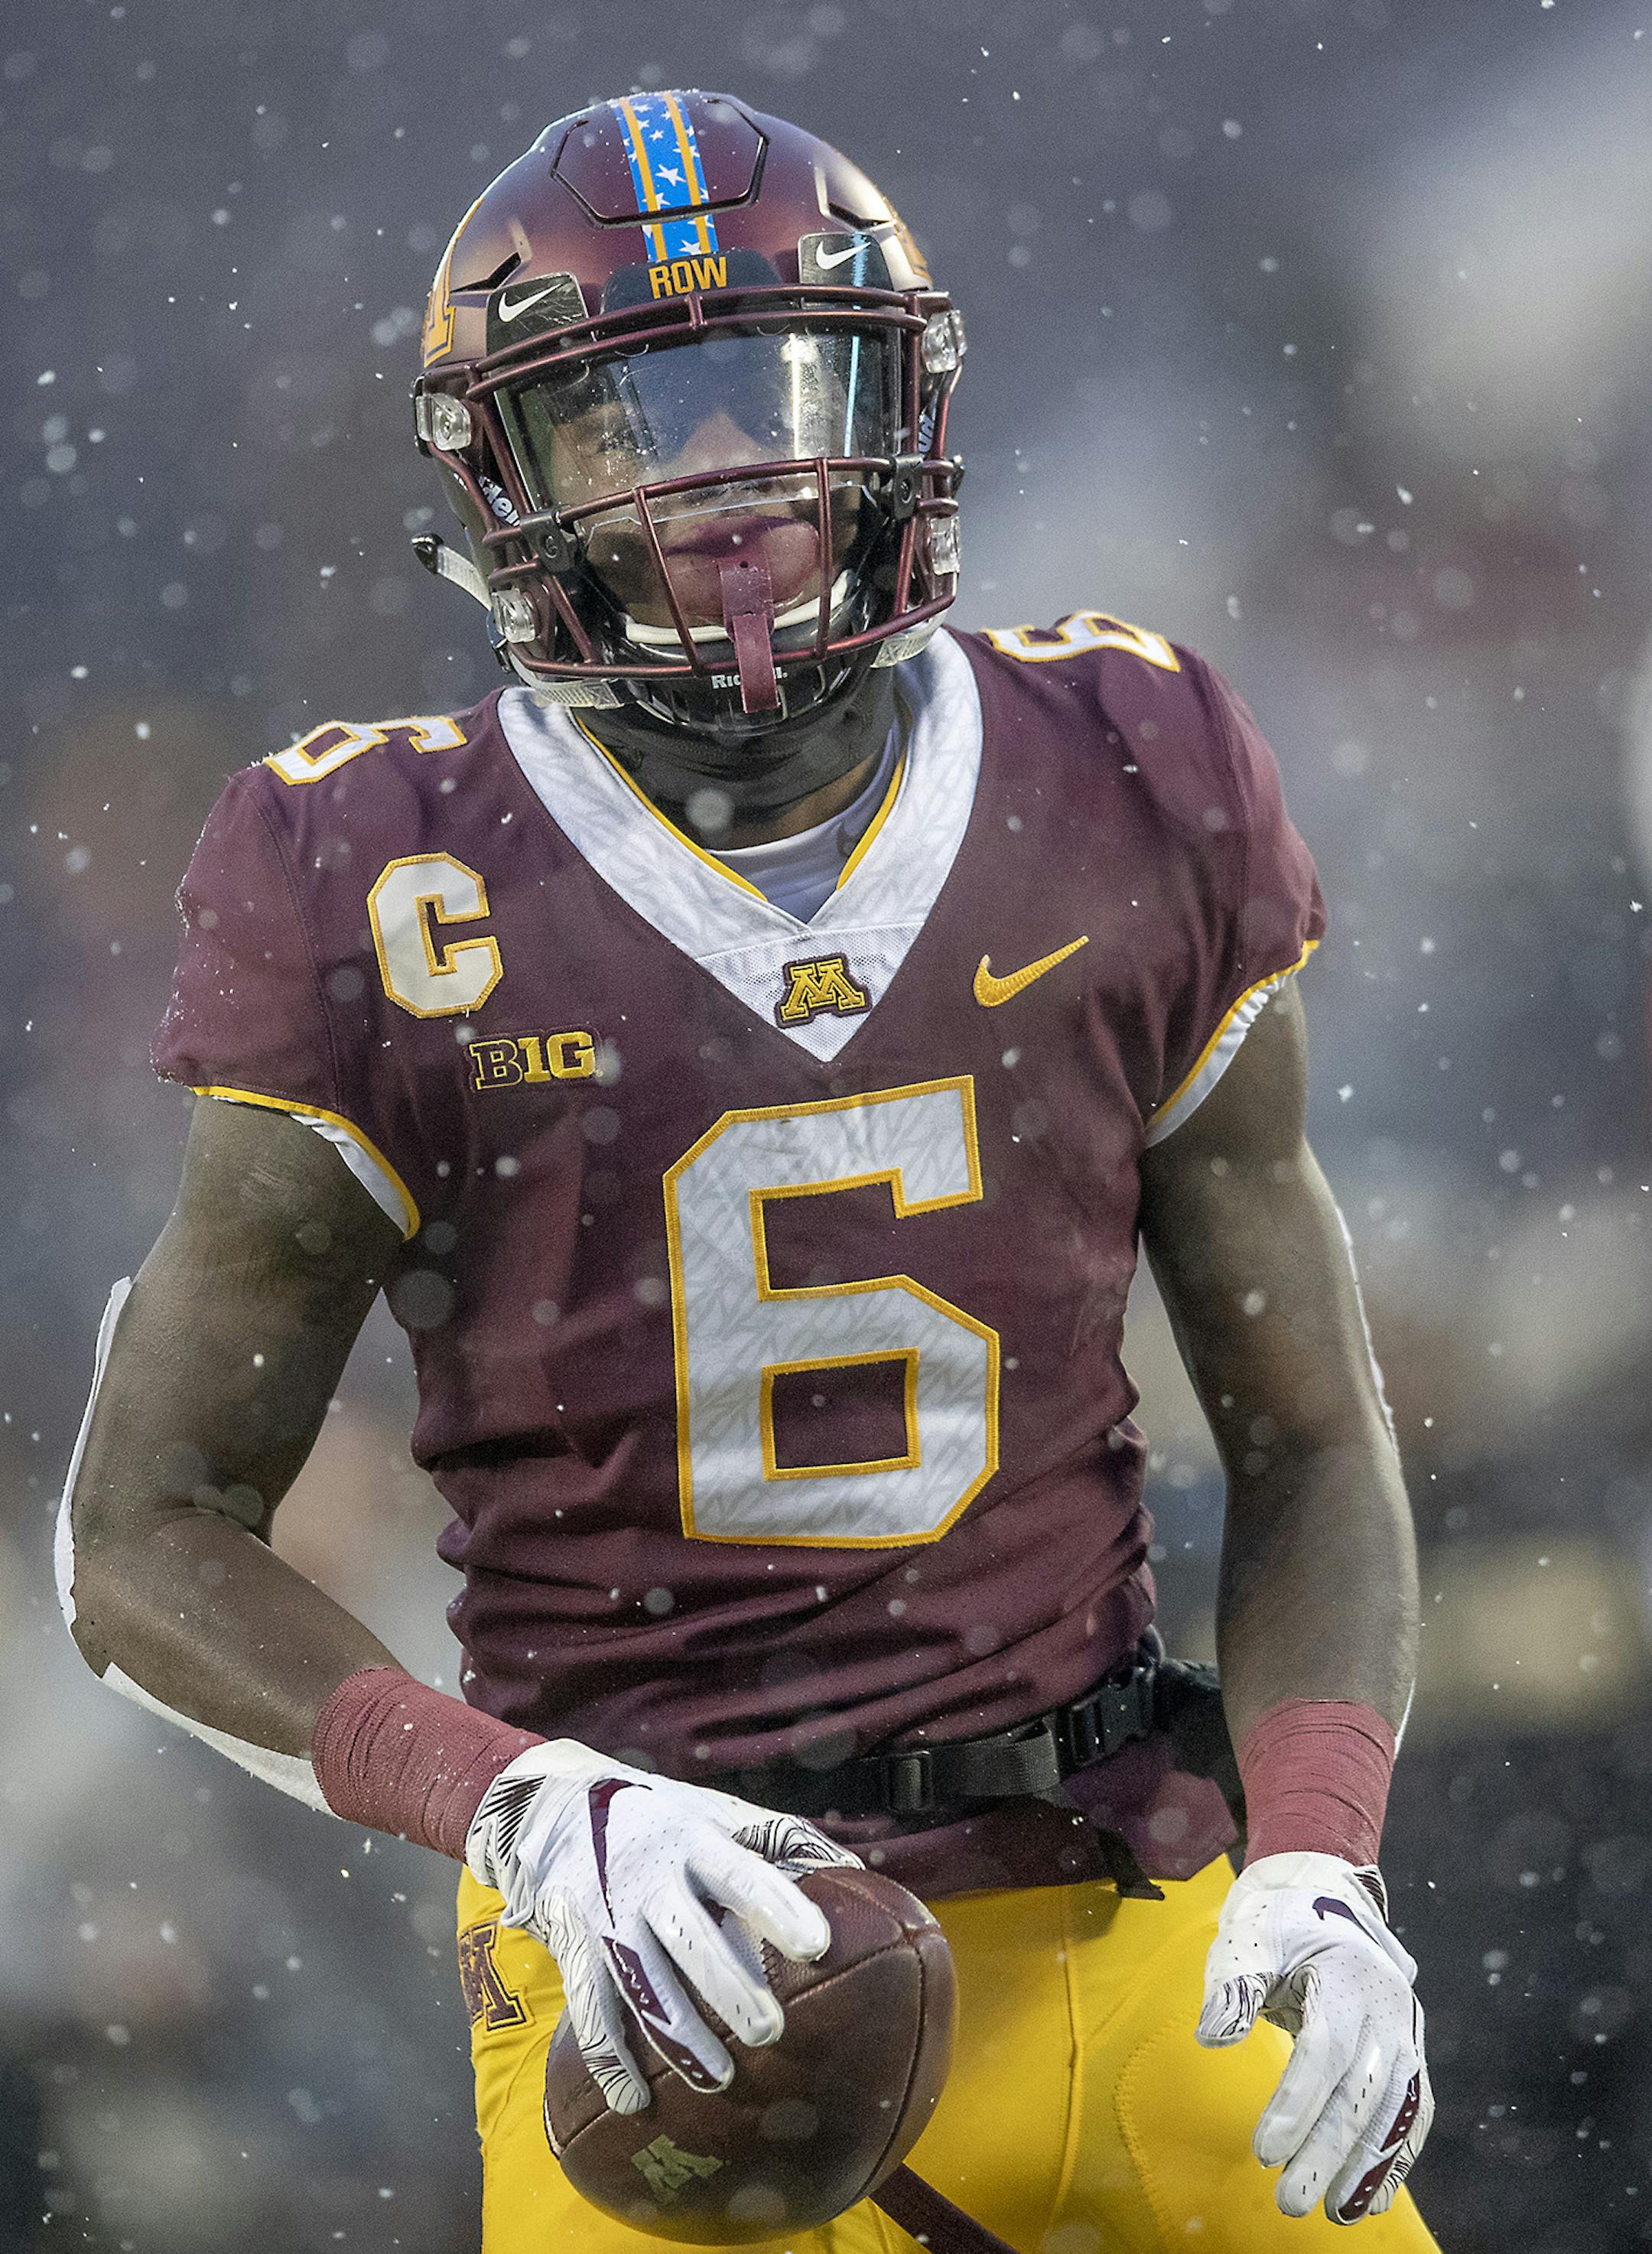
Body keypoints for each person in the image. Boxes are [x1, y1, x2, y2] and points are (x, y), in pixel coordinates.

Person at [59, 90, 1438, 2253]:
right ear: (513, 483)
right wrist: (521, 1805)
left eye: (771, 389)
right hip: (667, 1976)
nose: (730, 476)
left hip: (1123, 1887)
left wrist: (1324, 1848)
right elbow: (135, 1538)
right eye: (634, 423)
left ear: (892, 399)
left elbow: (1317, 1439)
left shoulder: (1124, 762)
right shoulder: (379, 875)